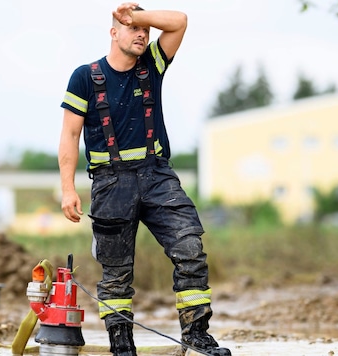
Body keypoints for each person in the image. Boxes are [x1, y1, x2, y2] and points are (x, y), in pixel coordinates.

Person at [58, 3, 231, 356]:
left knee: (190, 248)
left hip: (157, 176)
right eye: (132, 28)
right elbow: (69, 136)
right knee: (116, 272)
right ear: (113, 32)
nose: (141, 34)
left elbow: (180, 21)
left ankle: (196, 335)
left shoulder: (151, 65)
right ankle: (122, 344)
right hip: (110, 182)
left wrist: (138, 15)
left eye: (145, 30)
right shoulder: (85, 77)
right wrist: (67, 190)